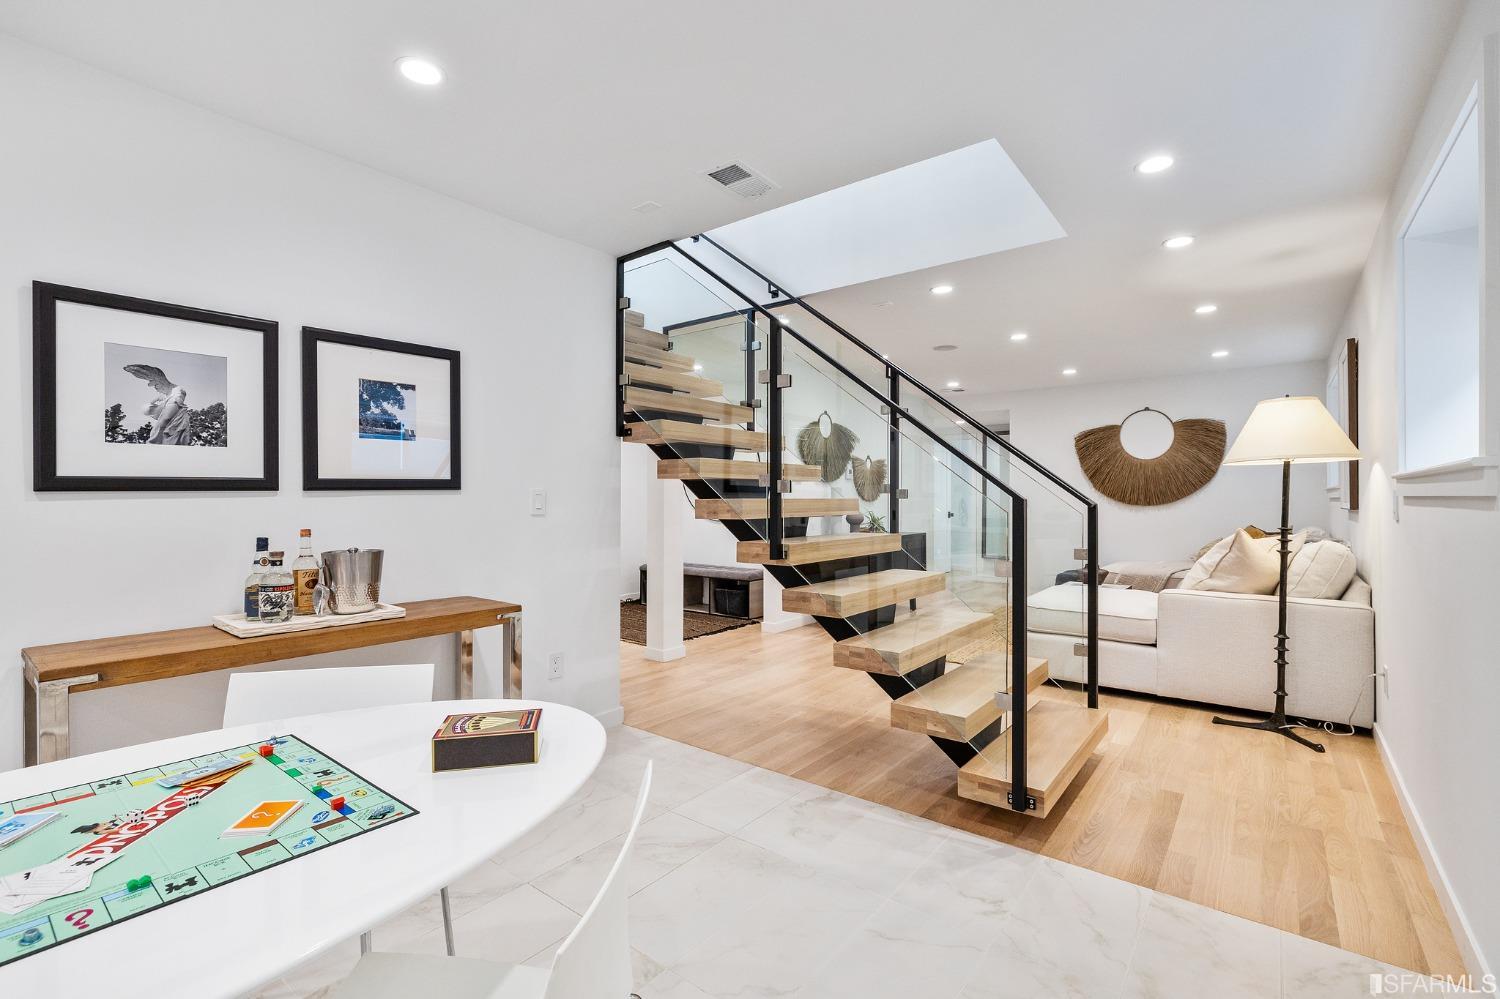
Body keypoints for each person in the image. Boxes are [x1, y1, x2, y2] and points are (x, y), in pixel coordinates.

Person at [124, 364, 193, 444]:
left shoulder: (177, 391)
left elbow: (167, 416)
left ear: (161, 382)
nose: (157, 390)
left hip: (174, 425)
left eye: (156, 386)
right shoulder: (168, 396)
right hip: (171, 427)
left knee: (161, 431)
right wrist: (157, 399)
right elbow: (151, 410)